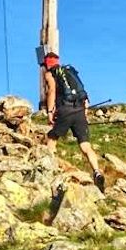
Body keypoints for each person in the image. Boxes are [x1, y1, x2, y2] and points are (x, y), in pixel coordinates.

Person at [42, 52, 105, 192]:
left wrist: (50, 112)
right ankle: (97, 171)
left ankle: (48, 169)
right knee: (85, 146)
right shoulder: (69, 71)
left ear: (47, 63)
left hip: (65, 110)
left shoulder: (50, 73)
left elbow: (51, 91)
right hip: (80, 110)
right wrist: (85, 112)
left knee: (52, 138)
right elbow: (83, 93)